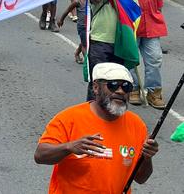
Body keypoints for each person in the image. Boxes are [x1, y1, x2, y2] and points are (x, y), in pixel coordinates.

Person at [34, 62, 159, 193]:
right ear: (95, 88)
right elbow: (40, 155)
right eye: (113, 85)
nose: (120, 91)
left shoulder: (137, 125)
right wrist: (69, 147)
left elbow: (141, 178)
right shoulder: (69, 118)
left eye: (126, 87)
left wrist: (147, 157)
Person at [85, 0, 138, 100]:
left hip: (120, 44)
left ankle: (110, 113)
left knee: (116, 83)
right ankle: (93, 113)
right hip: (100, 42)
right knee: (97, 82)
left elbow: (133, 18)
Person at [122, 0, 166, 109]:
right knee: (131, 59)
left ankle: (154, 92)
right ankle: (133, 88)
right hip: (132, 25)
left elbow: (159, 1)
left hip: (152, 25)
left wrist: (157, 14)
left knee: (155, 58)